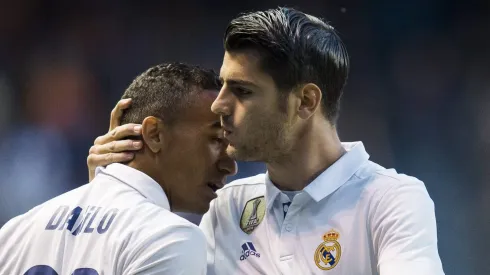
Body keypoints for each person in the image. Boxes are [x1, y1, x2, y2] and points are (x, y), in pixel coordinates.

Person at [87, 7, 445, 275]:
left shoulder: (391, 200)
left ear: (305, 102)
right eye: (224, 84)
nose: (218, 104)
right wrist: (110, 195)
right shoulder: (226, 207)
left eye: (242, 91)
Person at [0, 63, 236, 275]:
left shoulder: (14, 232)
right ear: (154, 134)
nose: (229, 165)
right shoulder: (171, 237)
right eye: (216, 140)